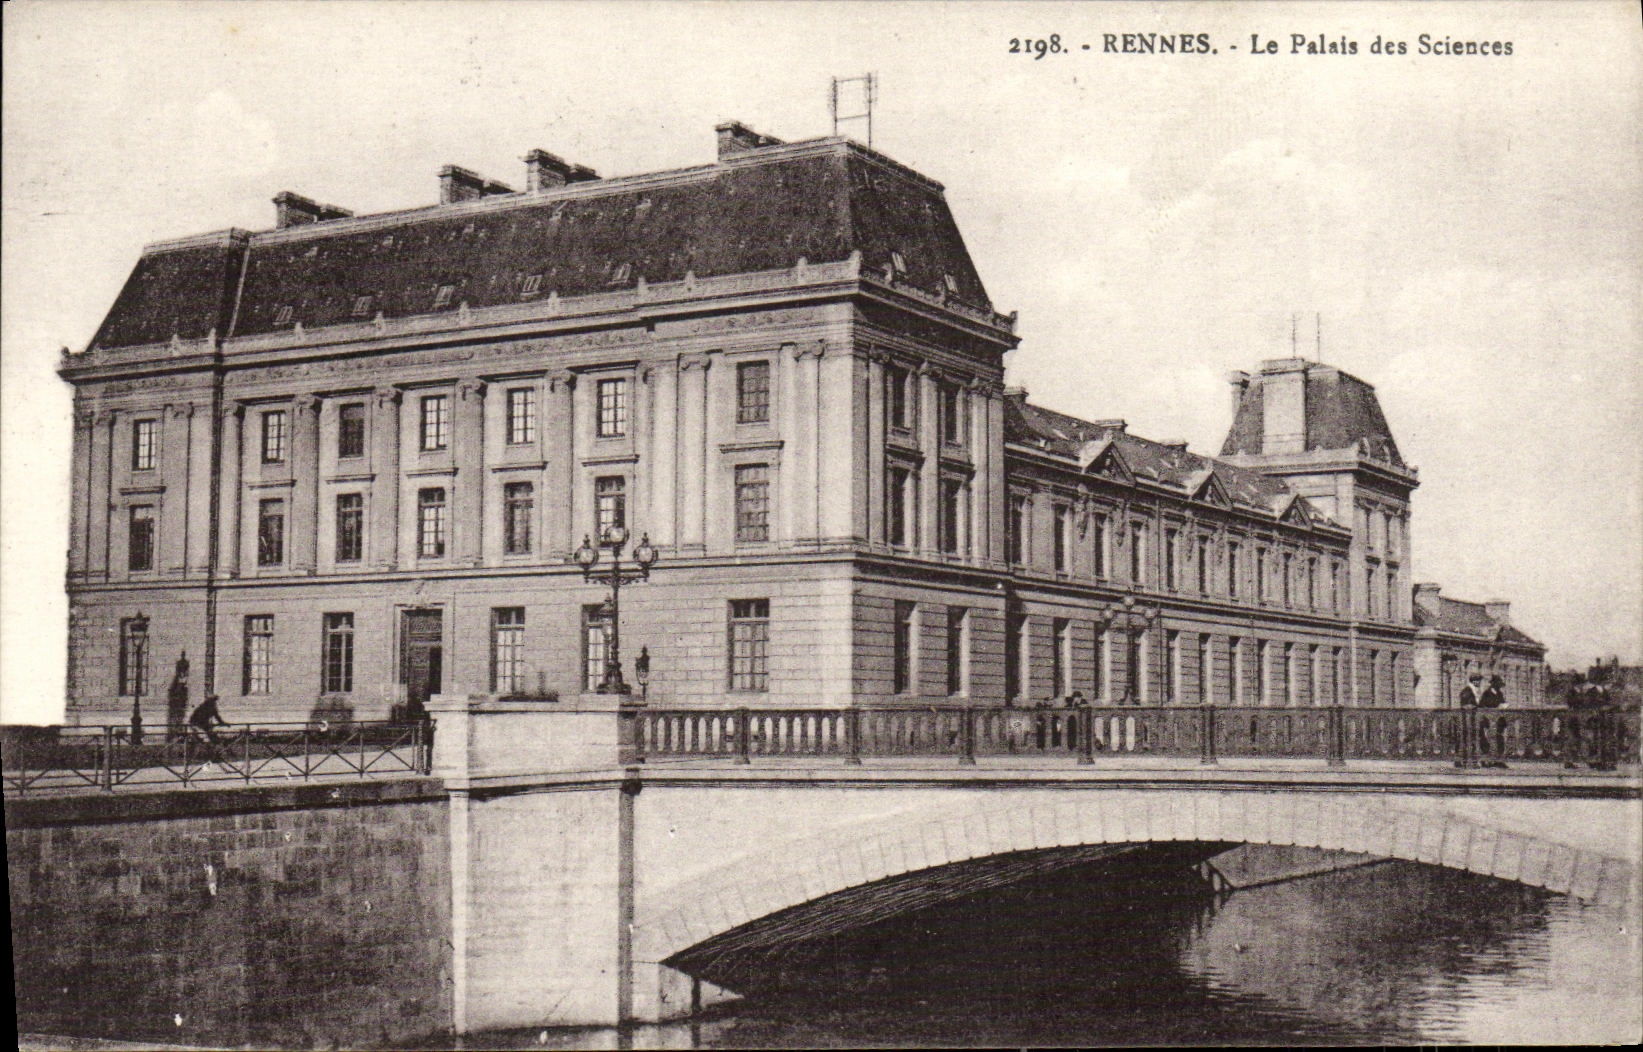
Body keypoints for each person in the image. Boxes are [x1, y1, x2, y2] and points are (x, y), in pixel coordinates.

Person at [189, 695, 230, 762]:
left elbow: (217, 717)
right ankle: (205, 756)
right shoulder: (203, 707)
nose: (215, 703)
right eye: (214, 701)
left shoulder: (211, 708)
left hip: (202, 726)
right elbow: (199, 720)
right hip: (196, 726)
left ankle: (211, 756)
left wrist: (223, 723)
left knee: (213, 739)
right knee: (206, 740)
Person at [1480, 675, 1509, 768]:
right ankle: (1488, 761)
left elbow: (1503, 702)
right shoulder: (1486, 693)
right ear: (1493, 684)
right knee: (1490, 740)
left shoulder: (1499, 693)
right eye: (1497, 684)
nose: (1499, 686)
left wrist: (1504, 706)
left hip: (1499, 721)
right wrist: (1495, 708)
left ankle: (1499, 760)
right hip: (1490, 720)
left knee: (1500, 740)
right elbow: (1482, 706)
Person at [1456, 672, 1484, 768]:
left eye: (1479, 681)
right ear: (1474, 681)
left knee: (1471, 740)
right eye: (1478, 681)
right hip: (1468, 720)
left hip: (1472, 720)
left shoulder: (1473, 690)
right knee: (1468, 740)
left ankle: (1468, 761)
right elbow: (1467, 705)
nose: (1479, 683)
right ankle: (1466, 762)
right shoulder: (1467, 691)